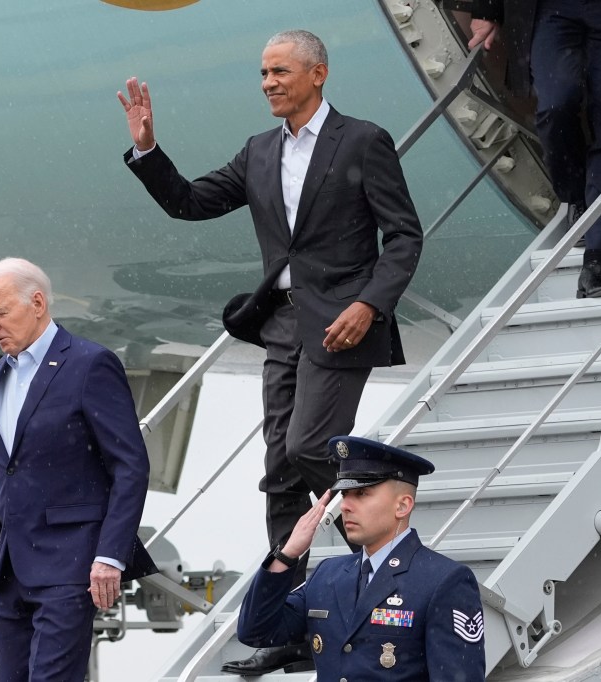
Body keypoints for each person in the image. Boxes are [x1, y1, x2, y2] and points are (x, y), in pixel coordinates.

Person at [118, 28, 424, 675]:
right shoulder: (259, 151)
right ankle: (294, 625)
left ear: (318, 74)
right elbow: (191, 202)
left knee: (309, 449)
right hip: (281, 325)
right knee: (279, 474)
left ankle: (393, 562)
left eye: (280, 71)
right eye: (263, 73)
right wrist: (148, 149)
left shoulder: (363, 141)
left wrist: (369, 303)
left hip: (345, 322)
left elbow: (403, 237)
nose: (267, 83)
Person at [0, 257, 157, 682]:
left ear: (38, 302)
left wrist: (110, 555)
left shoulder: (89, 364)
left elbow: (131, 466)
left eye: (1, 313)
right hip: (10, 570)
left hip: (72, 565)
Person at [236, 436, 486, 681]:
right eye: (345, 495)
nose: (345, 506)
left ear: (402, 506)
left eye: (362, 494)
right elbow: (256, 632)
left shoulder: (443, 580)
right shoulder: (328, 574)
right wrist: (287, 554)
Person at [468, 0, 601, 298]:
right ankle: (576, 197)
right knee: (556, 106)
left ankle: (596, 260)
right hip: (552, 9)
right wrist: (486, 9)